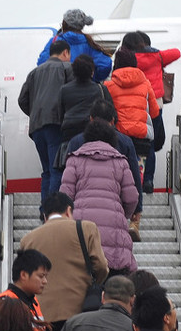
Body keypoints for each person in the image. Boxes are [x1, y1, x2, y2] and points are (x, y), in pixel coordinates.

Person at [19, 192, 109, 331]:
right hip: (80, 312)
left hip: (43, 317)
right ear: (68, 210)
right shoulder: (86, 228)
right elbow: (101, 267)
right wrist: (95, 285)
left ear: (45, 215)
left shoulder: (28, 239)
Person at [60, 118, 139, 275]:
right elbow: (132, 197)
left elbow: (65, 196)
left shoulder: (75, 160)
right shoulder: (121, 162)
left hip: (81, 231)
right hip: (114, 233)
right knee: (113, 283)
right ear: (111, 138)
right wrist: (122, 214)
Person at [66, 101, 143, 239]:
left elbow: (67, 188)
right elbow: (134, 182)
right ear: (113, 121)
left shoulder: (76, 143)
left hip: (80, 221)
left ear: (90, 119)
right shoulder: (125, 143)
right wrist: (132, 211)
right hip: (113, 217)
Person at [103, 49, 159, 232]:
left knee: (117, 179)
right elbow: (155, 111)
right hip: (141, 138)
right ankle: (135, 221)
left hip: (118, 138)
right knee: (136, 179)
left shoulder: (109, 85)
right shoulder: (145, 84)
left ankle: (117, 218)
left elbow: (107, 112)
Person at [120, 32, 181, 193]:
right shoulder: (157, 56)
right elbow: (177, 53)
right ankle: (148, 181)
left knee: (129, 143)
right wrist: (154, 52)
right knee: (150, 144)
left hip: (133, 103)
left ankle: (130, 181)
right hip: (155, 105)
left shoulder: (128, 59)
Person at [18, 40, 73, 204]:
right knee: (57, 168)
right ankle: (52, 209)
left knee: (47, 170)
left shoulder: (34, 73)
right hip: (56, 124)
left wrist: (35, 113)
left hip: (37, 128)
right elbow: (72, 94)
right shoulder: (67, 68)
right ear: (65, 53)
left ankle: (44, 210)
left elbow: (22, 100)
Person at [36, 8, 113, 82]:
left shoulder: (55, 41)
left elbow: (42, 63)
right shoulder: (89, 43)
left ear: (64, 24)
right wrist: (91, 78)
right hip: (83, 90)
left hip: (59, 90)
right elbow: (105, 65)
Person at [59, 54, 114, 142]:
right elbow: (111, 112)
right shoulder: (100, 89)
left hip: (69, 132)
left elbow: (60, 114)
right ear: (92, 71)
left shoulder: (64, 89)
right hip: (93, 132)